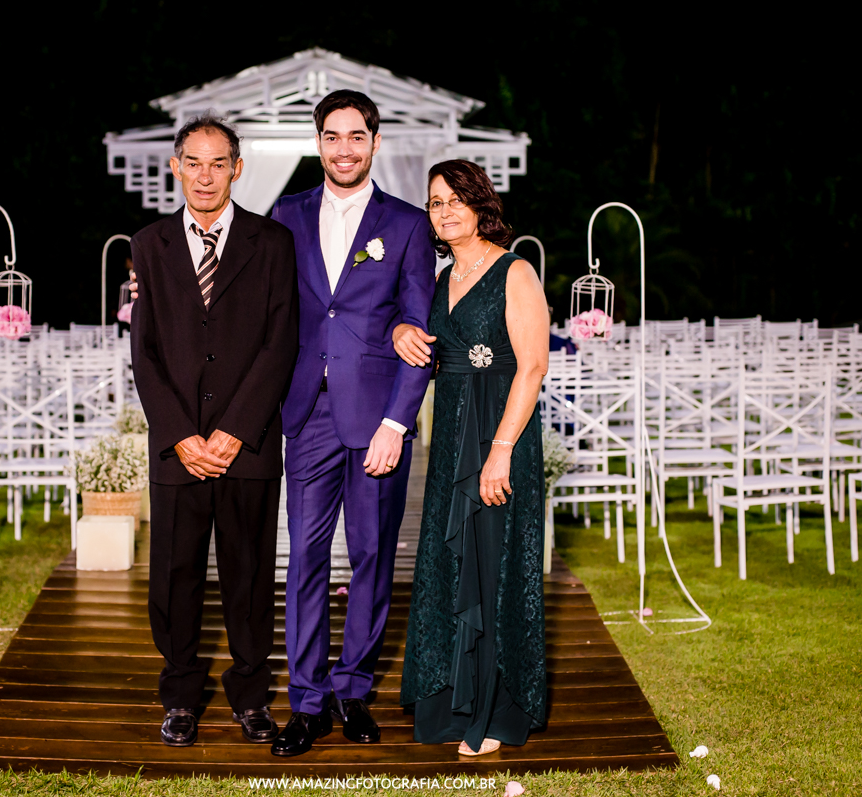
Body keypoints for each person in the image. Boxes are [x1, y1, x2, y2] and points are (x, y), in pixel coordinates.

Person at [268, 90, 437, 756]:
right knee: (305, 559)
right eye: (332, 137)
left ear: (374, 142)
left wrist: (399, 421)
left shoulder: (406, 224)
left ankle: (354, 688)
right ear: (319, 143)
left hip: (377, 423)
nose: (344, 148)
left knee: (371, 556)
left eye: (356, 137)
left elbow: (419, 328)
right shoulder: (285, 215)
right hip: (306, 413)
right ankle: (306, 700)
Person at [128, 113, 298, 748]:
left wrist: (234, 430)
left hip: (246, 446)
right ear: (176, 167)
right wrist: (179, 434)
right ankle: (178, 696)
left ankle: (252, 696)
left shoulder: (272, 243)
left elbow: (281, 343)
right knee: (174, 575)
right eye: (192, 162)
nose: (204, 174)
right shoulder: (149, 244)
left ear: (237, 168)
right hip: (178, 449)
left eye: (216, 162)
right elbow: (145, 353)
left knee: (250, 575)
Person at [393, 159, 549, 756]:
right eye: (435, 202)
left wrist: (501, 452)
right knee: (451, 567)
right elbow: (422, 349)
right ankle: (451, 706)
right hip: (451, 440)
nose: (446, 210)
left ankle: (493, 710)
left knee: (494, 566)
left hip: (500, 435)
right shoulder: (438, 281)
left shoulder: (514, 271)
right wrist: (396, 335)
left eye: (456, 198)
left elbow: (532, 366)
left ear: (480, 204)